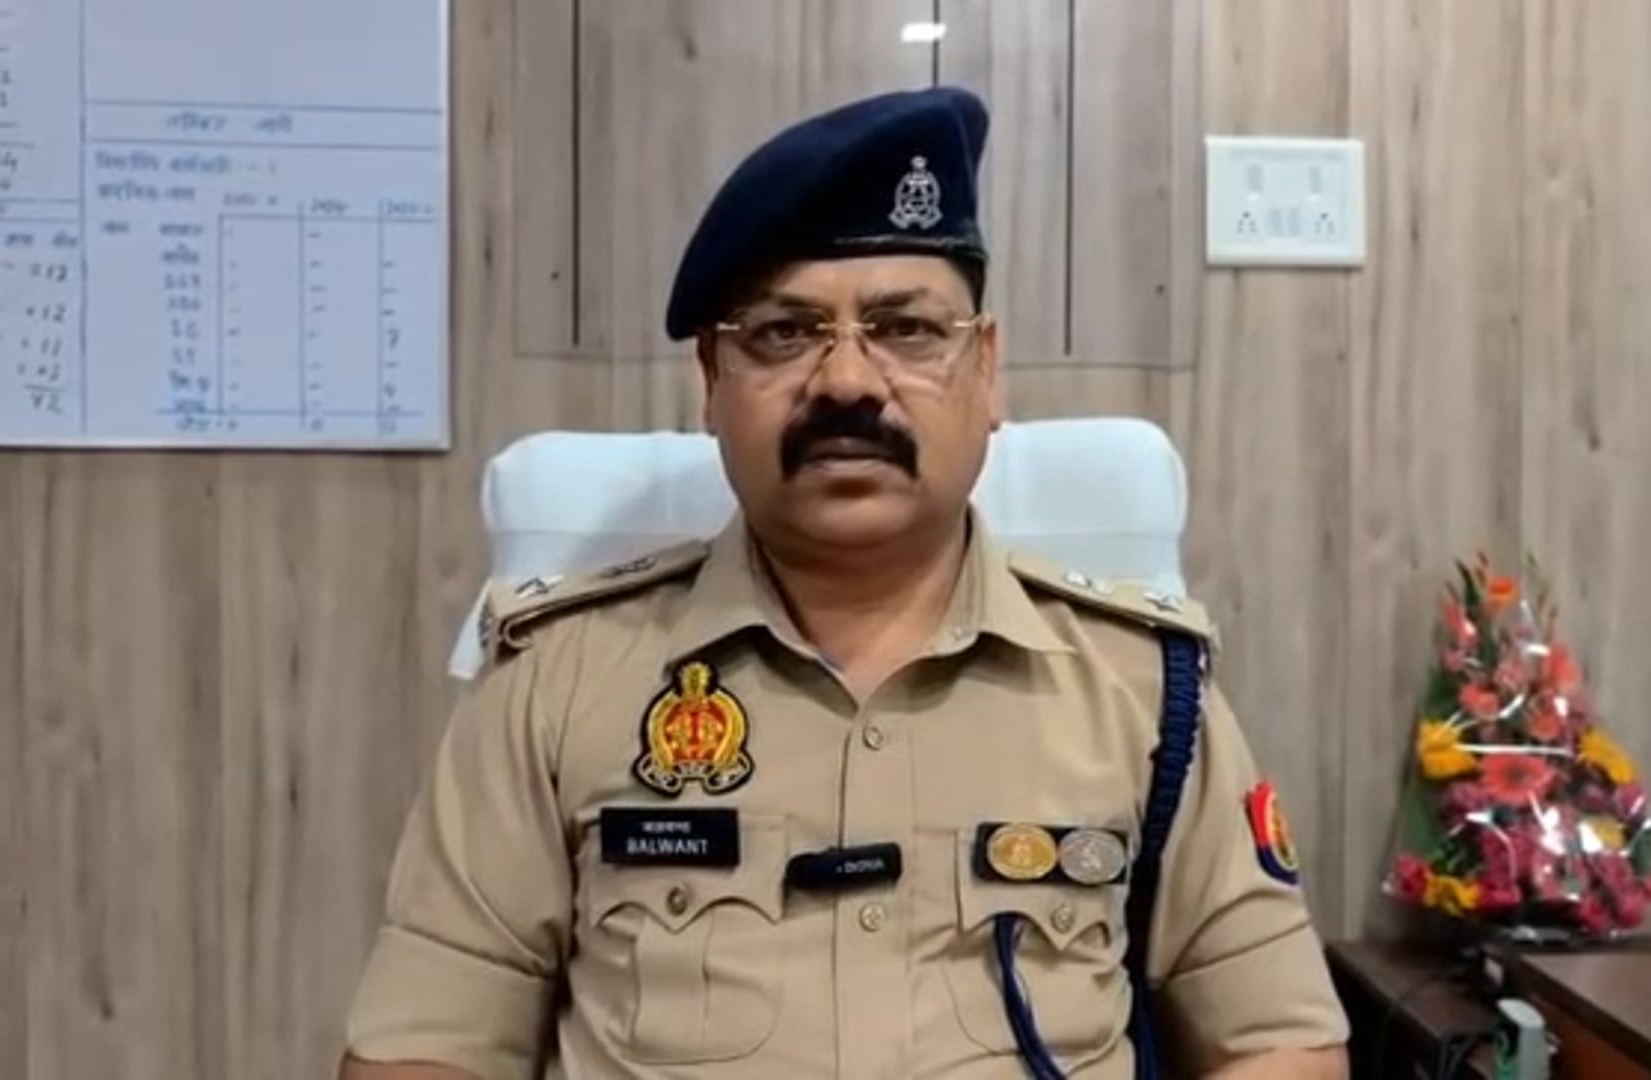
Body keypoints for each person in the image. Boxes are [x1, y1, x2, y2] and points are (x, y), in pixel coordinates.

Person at [339, 86, 1349, 1080]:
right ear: (712, 382)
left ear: (986, 370)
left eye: (907, 330)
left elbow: (1278, 1040)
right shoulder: (556, 685)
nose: (848, 382)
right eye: (784, 334)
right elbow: (426, 1048)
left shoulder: (1142, 689)